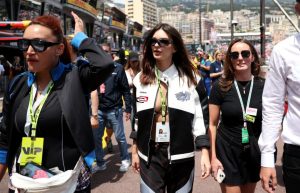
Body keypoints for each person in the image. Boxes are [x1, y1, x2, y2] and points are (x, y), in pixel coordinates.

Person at [0, 12, 114, 193]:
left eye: (38, 44)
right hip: (24, 183)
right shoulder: (18, 84)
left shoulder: (75, 77)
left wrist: (80, 38)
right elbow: (5, 136)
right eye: (25, 43)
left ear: (59, 49)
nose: (29, 51)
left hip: (65, 183)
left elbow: (105, 64)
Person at [130, 23, 210, 193]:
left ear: (174, 47)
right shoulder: (140, 79)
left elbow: (200, 118)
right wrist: (135, 151)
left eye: (163, 42)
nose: (157, 45)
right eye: (153, 41)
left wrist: (204, 152)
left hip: (182, 156)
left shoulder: (192, 79)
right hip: (150, 155)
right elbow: (136, 118)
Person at [209, 39, 264, 193]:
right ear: (230, 60)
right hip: (226, 150)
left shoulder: (263, 86)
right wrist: (213, 157)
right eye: (234, 55)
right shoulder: (220, 86)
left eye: (245, 53)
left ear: (252, 57)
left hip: (253, 150)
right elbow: (212, 125)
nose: (240, 58)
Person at [258, 1, 300, 193]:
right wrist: (267, 159)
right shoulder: (283, 51)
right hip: (297, 154)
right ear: (298, 9)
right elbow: (272, 104)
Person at [90, 43, 132, 173]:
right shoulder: (94, 68)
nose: (103, 53)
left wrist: (128, 109)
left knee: (120, 137)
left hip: (115, 109)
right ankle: (101, 162)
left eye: (106, 51)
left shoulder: (118, 68)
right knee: (96, 137)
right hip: (99, 110)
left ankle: (125, 159)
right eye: (101, 51)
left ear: (111, 54)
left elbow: (125, 89)